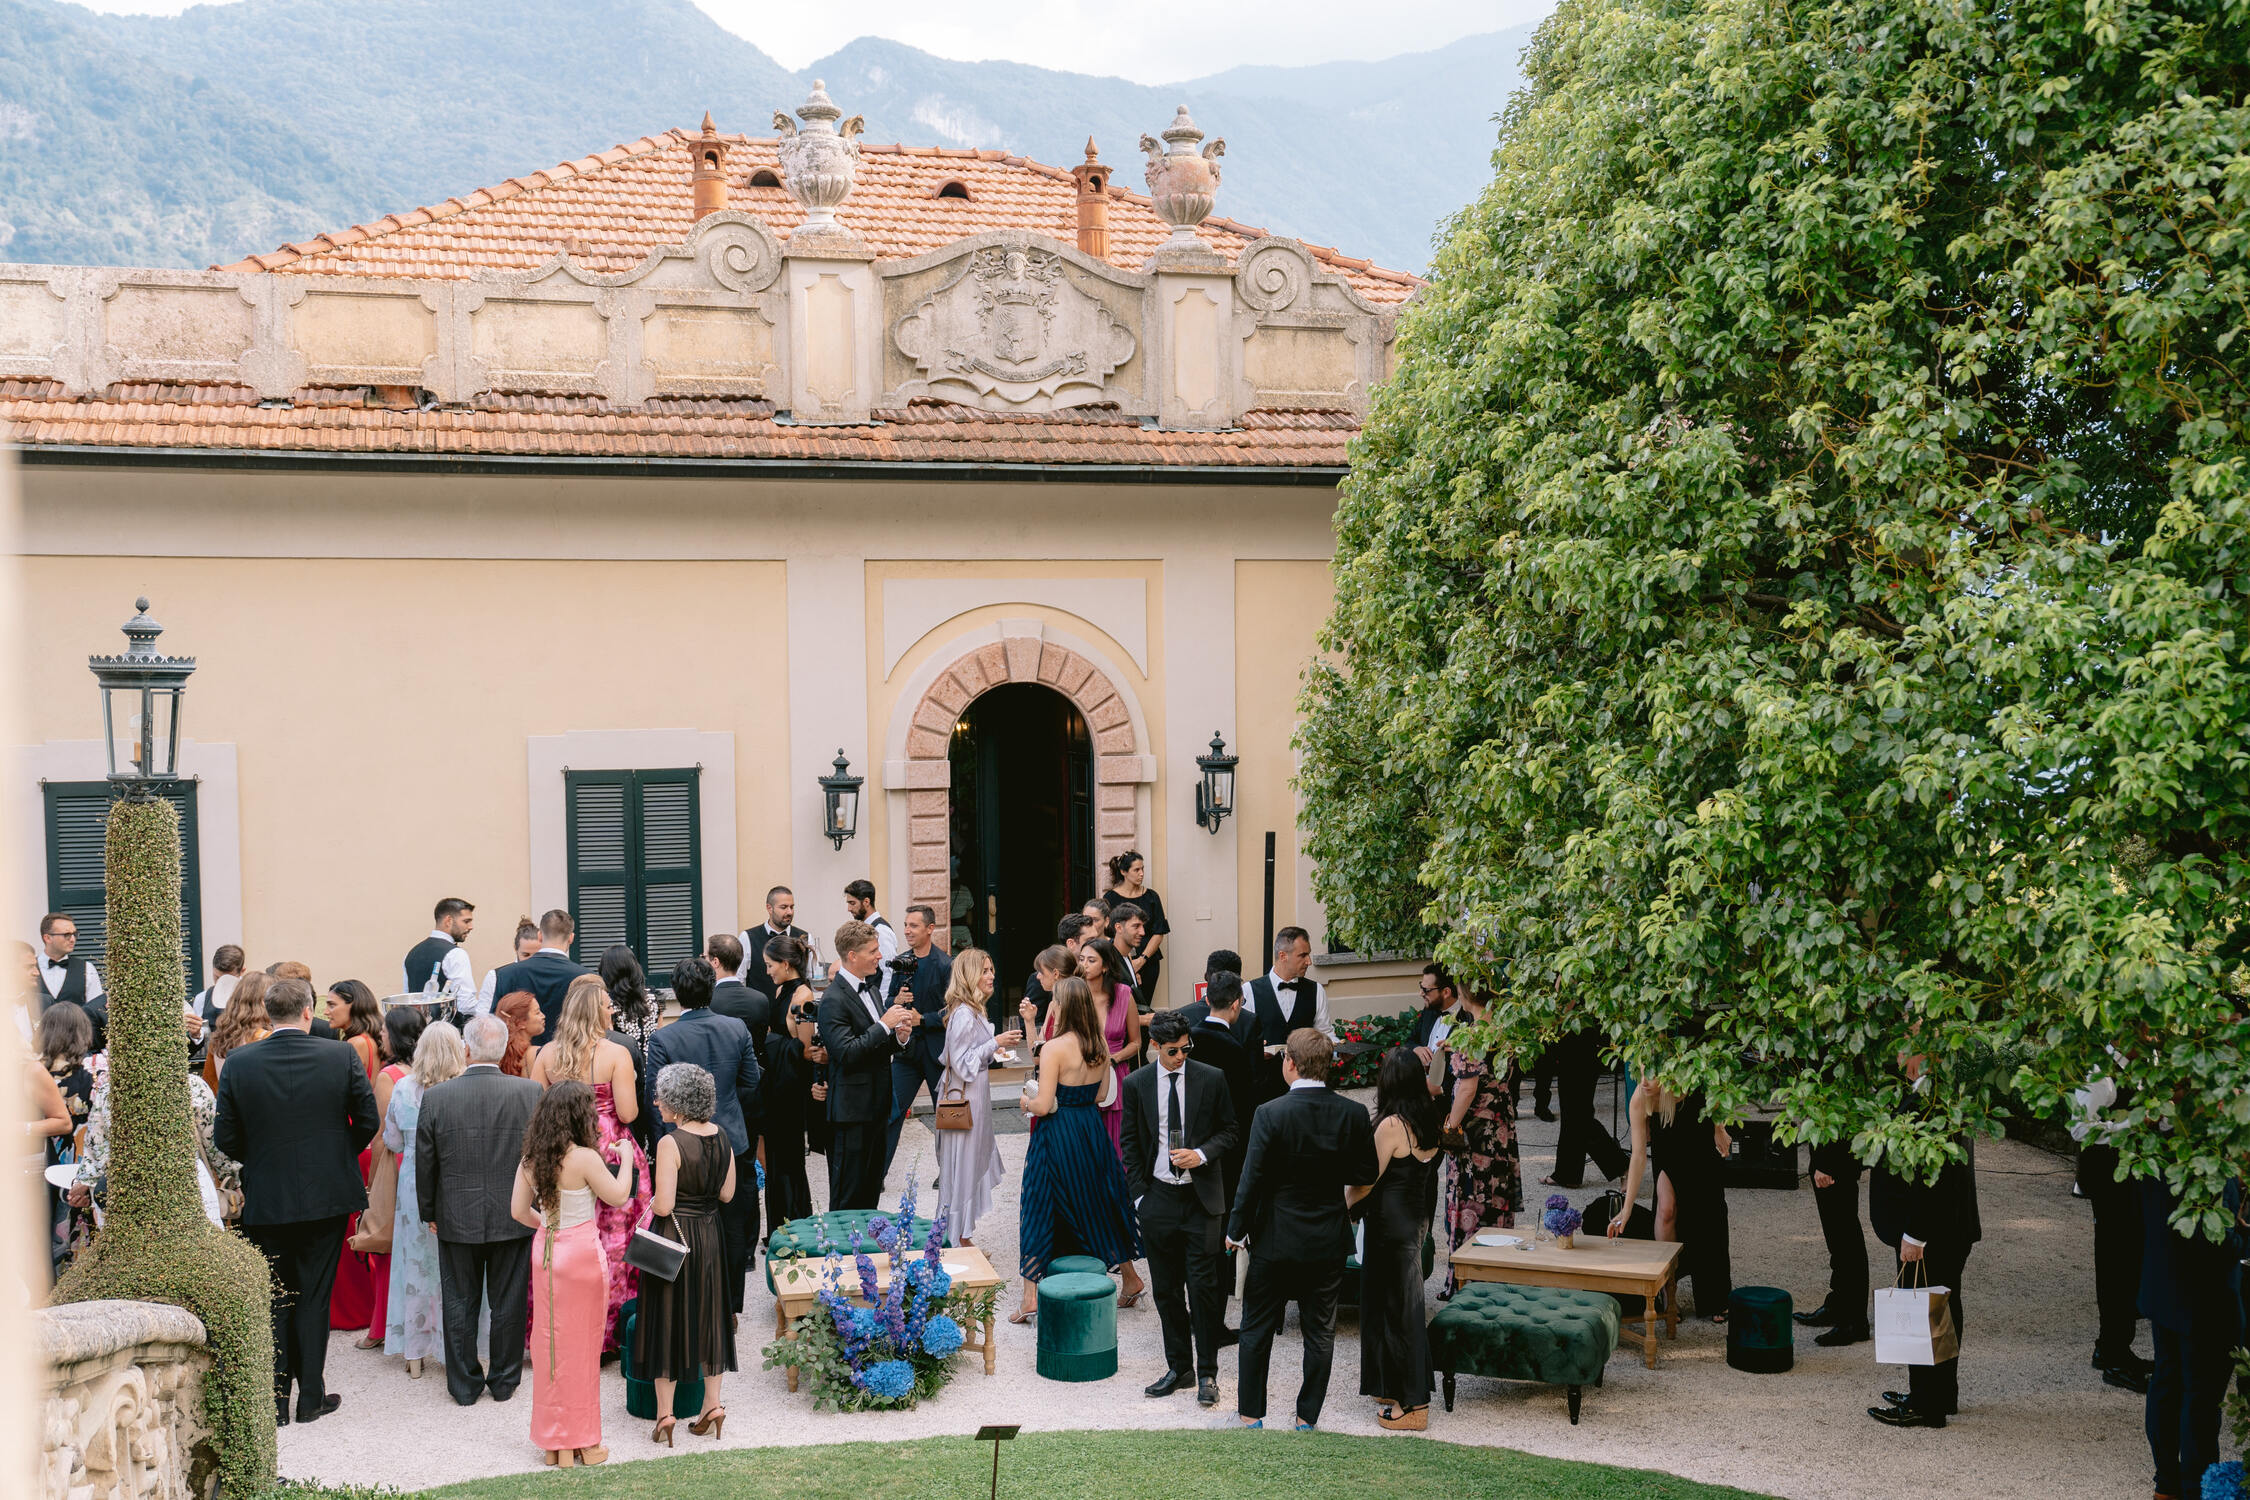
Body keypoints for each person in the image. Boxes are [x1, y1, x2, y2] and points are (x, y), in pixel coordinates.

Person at [212, 976, 380, 1426]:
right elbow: (367, 1120)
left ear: (268, 1014)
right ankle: (311, 1398)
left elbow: (225, 1137)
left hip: (268, 1195)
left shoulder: (241, 1063)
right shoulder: (339, 1054)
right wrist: (336, 1154)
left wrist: (263, 1160)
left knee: (276, 1295)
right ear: (309, 1012)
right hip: (327, 1194)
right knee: (314, 1295)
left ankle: (276, 1402)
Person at [1227, 1027, 1378, 1431]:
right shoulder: (1353, 1113)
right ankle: (1306, 1418)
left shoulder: (1270, 1113)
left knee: (1256, 1328)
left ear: (1290, 1063)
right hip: (1328, 1239)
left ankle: (1249, 1416)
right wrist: (1336, 1196)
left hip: (1275, 1238)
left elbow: (1251, 1178)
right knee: (1319, 1332)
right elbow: (1366, 1174)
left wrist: (1235, 1229)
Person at [416, 1012, 543, 1407]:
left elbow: (426, 1161)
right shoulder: (529, 1093)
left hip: (456, 1214)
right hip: (513, 1211)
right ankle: (504, 1380)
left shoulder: (437, 1096)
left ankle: (465, 1385)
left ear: (466, 1050)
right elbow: (539, 1155)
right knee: (508, 1301)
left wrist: (429, 1211)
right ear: (504, 1047)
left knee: (460, 1301)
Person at [511, 1080, 637, 1468]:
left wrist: (548, 1227)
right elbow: (618, 1196)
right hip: (581, 1254)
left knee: (550, 1346)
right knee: (582, 1349)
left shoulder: (532, 1158)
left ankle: (556, 1444)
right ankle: (584, 1441)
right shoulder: (583, 1158)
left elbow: (517, 1211)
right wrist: (627, 1158)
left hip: (547, 1251)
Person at [1124, 1009, 1238, 1407]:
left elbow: (1231, 1131)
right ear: (1155, 1046)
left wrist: (1202, 1154)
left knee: (1204, 1291)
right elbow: (1130, 1144)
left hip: (1201, 1200)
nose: (1181, 1057)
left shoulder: (1211, 1078)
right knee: (1167, 1292)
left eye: (1187, 1049)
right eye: (1174, 1051)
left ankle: (1208, 1374)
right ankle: (1180, 1368)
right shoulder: (1137, 1084)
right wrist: (1141, 1197)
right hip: (1158, 1199)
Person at [530, 974, 650, 1351]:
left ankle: (568, 1330)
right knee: (616, 1243)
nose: (611, 1009)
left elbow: (537, 1109)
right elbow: (628, 1113)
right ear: (595, 1012)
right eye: (606, 1005)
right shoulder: (616, 1054)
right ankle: (611, 1332)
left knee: (566, 1236)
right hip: (610, 1149)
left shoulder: (546, 1055)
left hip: (561, 1150)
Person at [1014, 977, 1144, 1321]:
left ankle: (1030, 1295)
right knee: (1102, 1200)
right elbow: (1102, 1096)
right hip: (1091, 1129)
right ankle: (1129, 1278)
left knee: (1039, 1202)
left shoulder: (1055, 1048)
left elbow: (1042, 1105)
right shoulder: (1100, 1044)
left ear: (1063, 1007)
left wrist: (1025, 1099)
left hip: (1057, 1133)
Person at [646, 956, 762, 1315]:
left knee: (682, 1223)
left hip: (681, 1144)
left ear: (676, 994)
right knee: (732, 1224)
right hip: (732, 1137)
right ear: (711, 990)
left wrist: (662, 1142)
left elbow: (654, 1097)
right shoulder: (736, 1028)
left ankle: (690, 1301)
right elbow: (751, 1080)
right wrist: (725, 1105)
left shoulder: (664, 1037)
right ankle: (729, 1308)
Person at [635, 1062, 737, 1446]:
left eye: (663, 1096)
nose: (657, 1102)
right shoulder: (722, 1136)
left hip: (675, 1239)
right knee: (710, 1316)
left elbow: (663, 1205)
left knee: (668, 1319)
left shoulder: (670, 1142)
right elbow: (726, 1195)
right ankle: (712, 1405)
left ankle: (666, 1415)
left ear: (678, 1104)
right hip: (710, 1235)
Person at [1866, 1097, 1980, 1428]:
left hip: (1934, 1231)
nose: (1900, 1054)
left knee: (1925, 1310)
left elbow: (1937, 1172)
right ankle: (1942, 1394)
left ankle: (1926, 1403)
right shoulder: (1939, 1091)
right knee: (1941, 1308)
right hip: (1948, 1228)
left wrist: (1915, 1234)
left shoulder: (1933, 1100)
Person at [1350, 1046, 1444, 1429]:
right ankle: (1390, 1385)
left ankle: (1415, 1406)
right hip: (1414, 1222)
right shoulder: (1428, 1120)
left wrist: (1341, 1204)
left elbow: (1366, 1181)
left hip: (1388, 1226)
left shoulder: (1392, 1126)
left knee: (1400, 1314)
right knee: (1394, 1307)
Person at [2139, 1177, 2243, 1499]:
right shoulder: (2207, 1157)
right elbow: (2216, 1240)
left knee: (2168, 1381)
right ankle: (2192, 1488)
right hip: (2205, 1294)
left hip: (2165, 1275)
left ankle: (2167, 1485)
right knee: (2198, 1396)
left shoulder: (2153, 1138)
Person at [1609, 1077, 1731, 1318]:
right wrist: (1627, 1208)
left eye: (1650, 1075)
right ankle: (1667, 1292)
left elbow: (1717, 1086)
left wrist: (1720, 1128)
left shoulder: (1688, 1081)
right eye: (1640, 1072)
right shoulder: (1640, 1099)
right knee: (1665, 1211)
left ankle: (1715, 1298)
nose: (1643, 1081)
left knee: (1707, 1213)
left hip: (1699, 1141)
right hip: (1668, 1148)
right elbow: (1638, 1157)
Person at [383, 1019, 464, 1378]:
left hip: (415, 1181)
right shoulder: (461, 1088)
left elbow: (393, 1141)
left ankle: (415, 1354)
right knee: (457, 1266)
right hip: (455, 1178)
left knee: (415, 1266)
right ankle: (461, 1348)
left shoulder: (403, 1089)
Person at [817, 921, 916, 1211]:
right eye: (872, 951)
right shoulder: (833, 1000)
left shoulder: (871, 991)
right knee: (848, 1195)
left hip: (877, 1106)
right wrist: (884, 1025)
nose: (879, 956)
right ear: (852, 955)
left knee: (872, 1191)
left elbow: (877, 1044)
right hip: (851, 1112)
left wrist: (898, 1038)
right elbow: (846, 1053)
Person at [1435, 990, 1524, 1296]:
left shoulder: (1470, 1035)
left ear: (1463, 992)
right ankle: (1497, 1276)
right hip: (1499, 1125)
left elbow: (1467, 1089)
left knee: (1469, 1197)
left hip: (1476, 1130)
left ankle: (1464, 1283)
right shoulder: (1503, 1028)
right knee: (1496, 1198)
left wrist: (1450, 1126)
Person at [353, 1004, 426, 1352]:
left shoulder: (390, 1076)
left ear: (395, 1035)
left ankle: (381, 1324)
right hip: (426, 1165)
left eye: (384, 1030)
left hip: (399, 1167)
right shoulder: (431, 1072)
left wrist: (374, 1183)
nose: (379, 1034)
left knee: (387, 1248)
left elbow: (383, 1136)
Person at [1188, 970, 1256, 1342]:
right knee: (1218, 1235)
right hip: (1225, 1151)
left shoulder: (1191, 1041)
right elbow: (1245, 1108)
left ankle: (1198, 1311)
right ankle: (1212, 1319)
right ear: (1235, 1005)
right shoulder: (1233, 1048)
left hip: (1192, 1147)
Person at [934, 948, 1018, 1245]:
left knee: (971, 1160)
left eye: (992, 969)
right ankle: (956, 1237)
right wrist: (994, 1042)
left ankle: (963, 1233)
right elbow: (960, 1061)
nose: (991, 975)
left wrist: (993, 1050)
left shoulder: (975, 1011)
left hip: (977, 1094)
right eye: (984, 970)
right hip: (965, 1098)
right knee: (963, 1164)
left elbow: (975, 1056)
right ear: (969, 975)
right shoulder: (964, 1014)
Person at [2075, 1072, 2152, 1391]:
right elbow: (2079, 1128)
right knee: (2114, 1265)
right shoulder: (2100, 1076)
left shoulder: (2138, 1067)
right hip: (2108, 1182)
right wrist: (2126, 1127)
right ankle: (2114, 1356)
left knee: (2128, 1262)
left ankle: (2113, 1347)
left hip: (2129, 1180)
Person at [882, 904, 954, 1170]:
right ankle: (878, 1173)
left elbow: (954, 1010)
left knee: (945, 1117)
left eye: (913, 926)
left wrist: (922, 1018)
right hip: (906, 1050)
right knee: (892, 1111)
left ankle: (948, 1173)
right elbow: (888, 999)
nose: (907, 931)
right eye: (905, 925)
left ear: (930, 929)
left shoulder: (946, 964)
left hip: (937, 1050)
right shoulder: (901, 961)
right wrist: (896, 1001)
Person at [759, 934, 822, 1233]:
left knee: (789, 1160)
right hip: (775, 1085)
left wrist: (771, 1041)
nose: (767, 971)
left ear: (785, 964)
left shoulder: (802, 996)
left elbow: (806, 1050)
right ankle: (779, 1226)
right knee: (776, 1158)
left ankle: (794, 1224)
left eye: (770, 965)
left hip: (790, 1089)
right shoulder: (782, 990)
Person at [1246, 928, 1334, 1108]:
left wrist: (1339, 1049)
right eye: (1303, 955)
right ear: (1283, 955)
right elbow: (1243, 1040)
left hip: (1305, 1086)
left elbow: (1325, 1034)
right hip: (1263, 1090)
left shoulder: (1316, 991)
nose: (1309, 961)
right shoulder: (1249, 990)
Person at [1795, 1140, 1871, 1346]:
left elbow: (1839, 1114)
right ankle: (1838, 1306)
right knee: (1838, 1241)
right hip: (1829, 1158)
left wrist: (1826, 1163)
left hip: (1837, 1163)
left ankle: (1854, 1321)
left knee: (1846, 1241)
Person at [1070, 937, 1139, 1155]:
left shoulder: (1124, 994)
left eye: (1091, 960)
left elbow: (1136, 1042)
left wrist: (1113, 1058)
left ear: (1106, 966)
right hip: (1081, 1073)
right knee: (1084, 1146)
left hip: (1115, 1074)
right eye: (1082, 959)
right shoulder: (1074, 994)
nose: (1084, 965)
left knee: (1115, 1146)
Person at [706, 934, 767, 1175]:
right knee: (747, 1159)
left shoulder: (710, 1001)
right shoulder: (760, 1000)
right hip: (752, 1088)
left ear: (716, 961)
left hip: (720, 1089)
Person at [1543, 1026, 1630, 1188]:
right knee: (1573, 1111)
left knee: (1578, 1114)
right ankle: (1567, 1174)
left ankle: (1622, 1166)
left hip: (1581, 1041)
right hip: (1574, 1041)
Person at [487, 910, 589, 1040]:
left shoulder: (506, 974)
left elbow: (496, 1024)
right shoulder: (584, 977)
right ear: (571, 938)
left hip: (520, 1056)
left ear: (540, 936)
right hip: (568, 1056)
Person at [1103, 850, 1170, 1004]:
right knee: (1121, 1006)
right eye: (1136, 870)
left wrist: (1142, 960)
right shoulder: (1110, 898)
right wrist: (1127, 961)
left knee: (1145, 1005)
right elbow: (1107, 933)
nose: (1141, 873)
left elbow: (1159, 932)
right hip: (1119, 963)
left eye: (1143, 869)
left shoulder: (1152, 896)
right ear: (1123, 872)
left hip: (1148, 962)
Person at [35, 913, 106, 1047]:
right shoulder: (29, 969)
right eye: (67, 935)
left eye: (75, 934)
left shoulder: (87, 968)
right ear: (47, 937)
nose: (73, 939)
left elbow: (96, 1012)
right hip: (37, 1049)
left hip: (77, 1049)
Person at [598, 945, 663, 1082]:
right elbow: (659, 1034)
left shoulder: (608, 1004)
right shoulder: (653, 998)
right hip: (653, 1069)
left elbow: (608, 1038)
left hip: (623, 1070)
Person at [404, 898, 479, 1012]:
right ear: (448, 920)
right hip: (447, 1028)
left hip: (415, 1026)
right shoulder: (455, 954)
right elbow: (466, 1004)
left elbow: (407, 996)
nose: (471, 927)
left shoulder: (411, 954)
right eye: (466, 921)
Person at [737, 885, 807, 997]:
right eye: (784, 907)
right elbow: (739, 979)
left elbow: (810, 978)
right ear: (769, 908)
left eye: (792, 907)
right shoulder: (747, 937)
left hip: (792, 1009)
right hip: (759, 1011)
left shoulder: (805, 938)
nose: (789, 912)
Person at [186, 944, 245, 1070]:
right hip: (214, 1069)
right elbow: (196, 1044)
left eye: (226, 979)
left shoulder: (255, 996)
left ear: (242, 972)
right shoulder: (202, 998)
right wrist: (195, 1035)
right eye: (216, 977)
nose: (220, 984)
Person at [476, 918, 544, 1013]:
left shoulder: (550, 974)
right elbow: (483, 1014)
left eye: (537, 955)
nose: (531, 961)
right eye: (526, 955)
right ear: (515, 949)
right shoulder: (496, 976)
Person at [1020, 937, 1077, 1037]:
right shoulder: (1053, 1004)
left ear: (1055, 974)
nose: (1037, 977)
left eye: (1041, 972)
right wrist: (1029, 1021)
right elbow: (1036, 1051)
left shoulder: (1072, 1006)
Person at [843, 879, 900, 963]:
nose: (849, 909)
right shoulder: (866, 927)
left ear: (866, 902)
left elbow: (889, 970)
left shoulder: (881, 930)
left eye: (852, 903)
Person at [494, 990, 544, 1078]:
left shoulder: (496, 1054)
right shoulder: (537, 1054)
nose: (543, 1016)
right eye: (537, 1012)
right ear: (521, 1023)